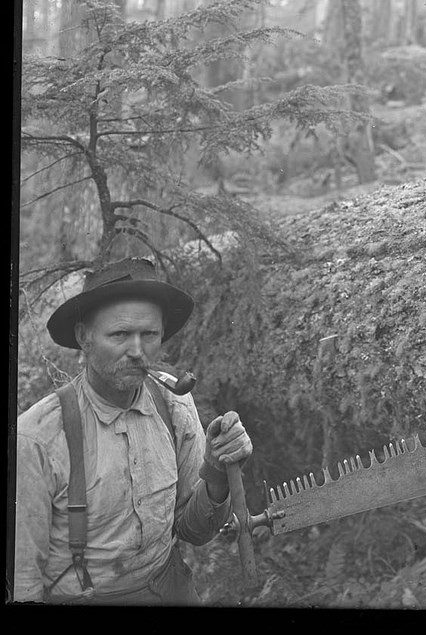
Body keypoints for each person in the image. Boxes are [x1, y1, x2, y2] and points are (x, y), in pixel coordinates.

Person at [14, 257, 254, 604]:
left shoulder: (173, 406)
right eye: (121, 334)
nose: (137, 352)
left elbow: (194, 531)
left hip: (168, 586)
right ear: (84, 337)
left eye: (149, 335)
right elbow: (22, 581)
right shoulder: (36, 438)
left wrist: (217, 472)